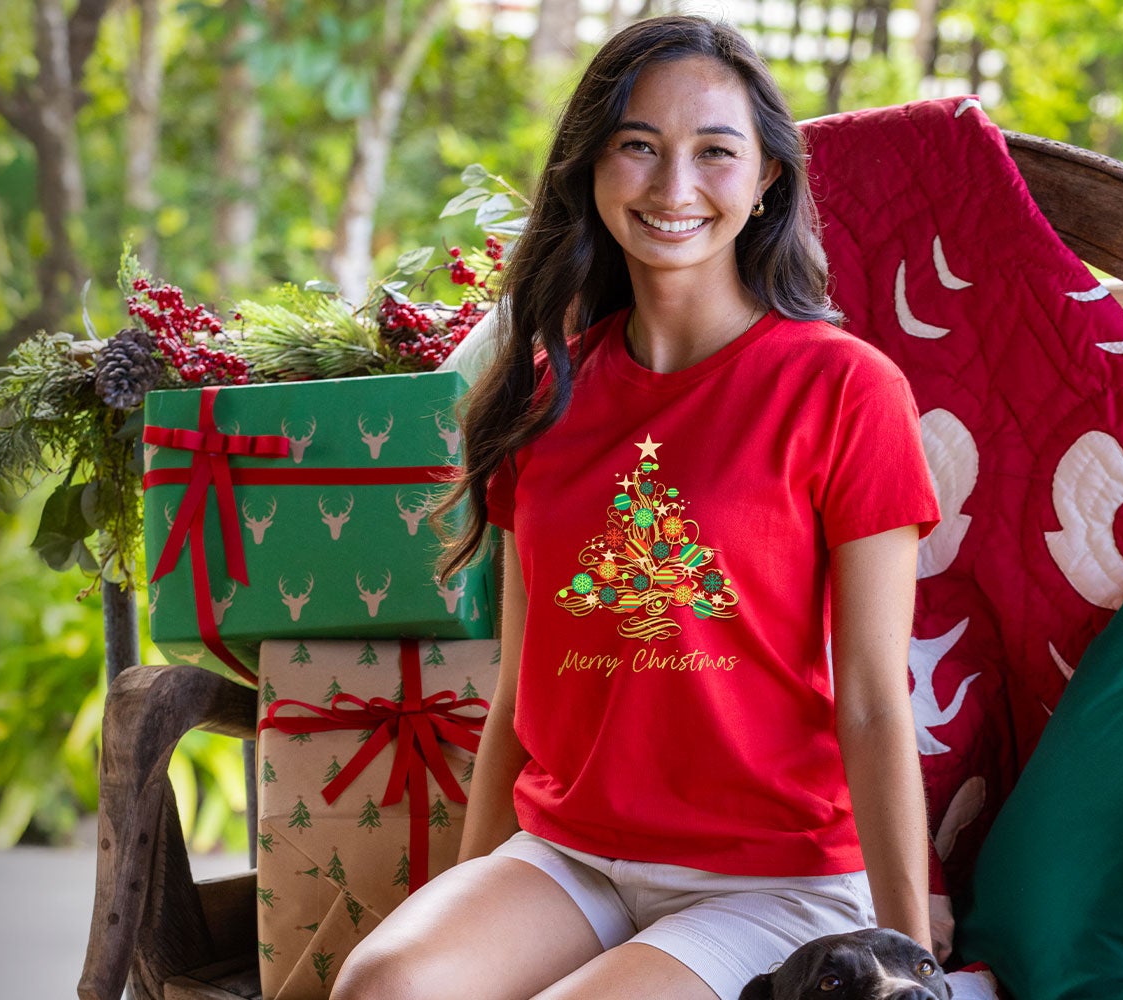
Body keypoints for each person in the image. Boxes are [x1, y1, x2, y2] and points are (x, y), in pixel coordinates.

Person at [337, 15, 943, 1000]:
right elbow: (522, 695)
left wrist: (910, 957)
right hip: (572, 857)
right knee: (386, 987)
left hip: (776, 875)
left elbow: (875, 698)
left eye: (714, 152)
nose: (673, 188)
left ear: (765, 184)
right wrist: (471, 888)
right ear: (592, 171)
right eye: (638, 147)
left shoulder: (846, 389)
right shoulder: (543, 392)